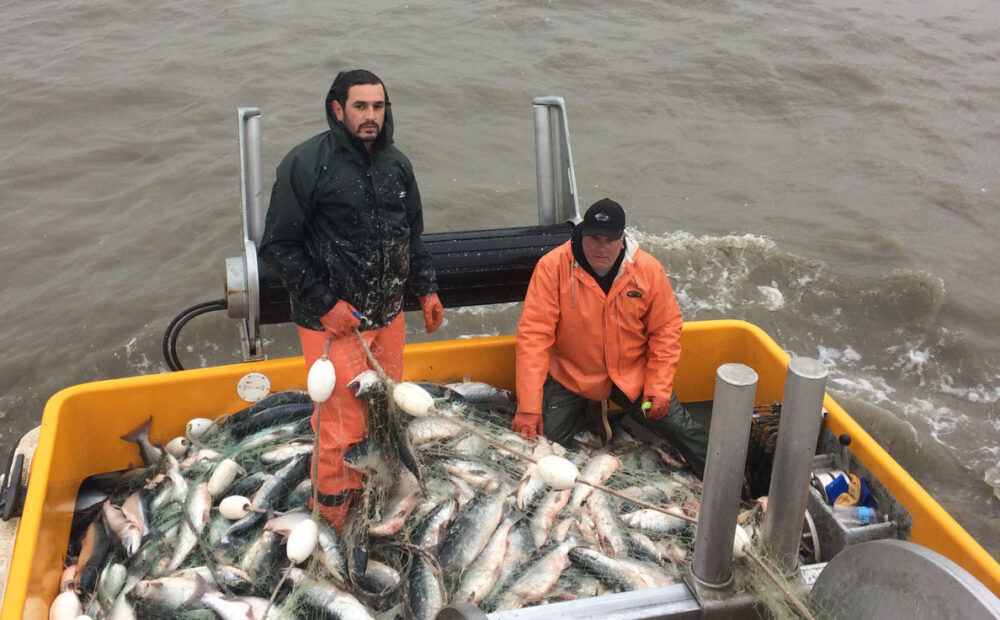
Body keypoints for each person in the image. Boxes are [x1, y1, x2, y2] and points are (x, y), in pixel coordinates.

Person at [259, 69, 443, 530]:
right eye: (360, 107)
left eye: (378, 107)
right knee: (343, 427)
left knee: (385, 413)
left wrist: (427, 286)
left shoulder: (397, 164)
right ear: (337, 109)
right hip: (333, 325)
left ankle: (378, 494)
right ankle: (333, 521)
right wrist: (324, 304)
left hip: (388, 316)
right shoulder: (305, 164)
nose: (370, 117)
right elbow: (279, 246)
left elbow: (412, 233)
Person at [512, 198, 708, 477]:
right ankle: (593, 418)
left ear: (623, 238)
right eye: (594, 238)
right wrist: (529, 407)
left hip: (631, 375)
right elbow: (534, 337)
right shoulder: (552, 267)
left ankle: (729, 484)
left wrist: (659, 387)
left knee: (681, 428)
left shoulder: (648, 269)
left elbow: (666, 331)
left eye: (610, 240)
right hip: (571, 374)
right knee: (541, 446)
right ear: (581, 234)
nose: (601, 248)